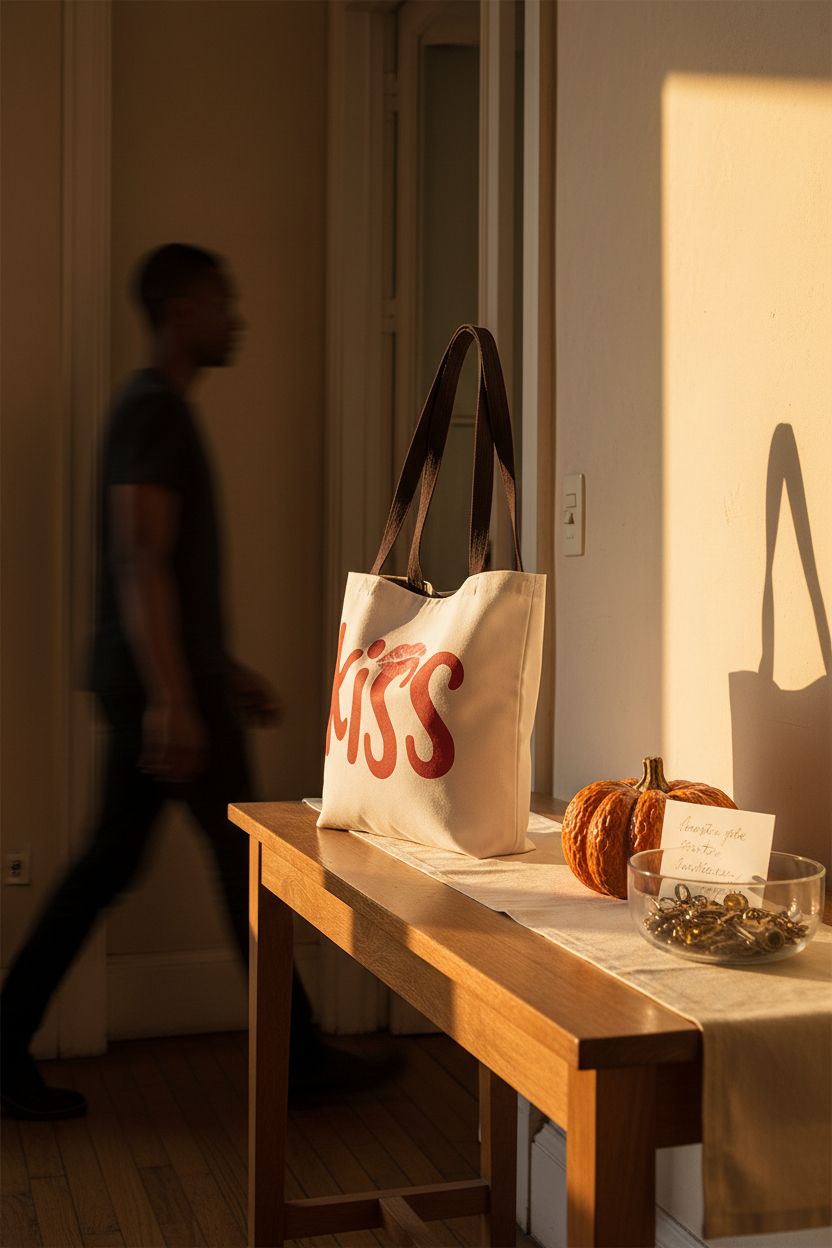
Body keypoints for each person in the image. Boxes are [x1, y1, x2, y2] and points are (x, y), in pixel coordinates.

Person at [1, 244, 398, 1119]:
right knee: (234, 864)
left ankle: (7, 1045)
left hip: (167, 682)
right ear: (182, 309)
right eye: (224, 301)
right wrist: (179, 699)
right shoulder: (154, 414)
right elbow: (141, 561)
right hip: (159, 691)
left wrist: (221, 670)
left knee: (144, 865)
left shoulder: (158, 412)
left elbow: (165, 572)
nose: (237, 318)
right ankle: (296, 1061)